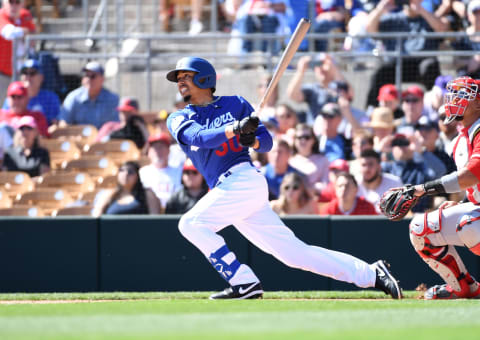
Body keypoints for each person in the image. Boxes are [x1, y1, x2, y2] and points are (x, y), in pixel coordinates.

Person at [165, 56, 403, 300]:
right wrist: (236, 129)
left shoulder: (235, 103)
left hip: (244, 180)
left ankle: (243, 281)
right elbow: (200, 137)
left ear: (205, 77)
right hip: (228, 188)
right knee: (295, 255)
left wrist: (252, 139)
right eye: (179, 78)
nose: (180, 81)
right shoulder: (179, 117)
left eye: (186, 76)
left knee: (191, 223)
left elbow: (266, 142)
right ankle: (371, 274)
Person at [393, 75, 480, 299]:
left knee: (469, 226)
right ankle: (464, 288)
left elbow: (470, 176)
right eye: (453, 94)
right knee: (421, 228)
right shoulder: (459, 141)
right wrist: (462, 203)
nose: (453, 100)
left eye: (461, 95)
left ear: (478, 102)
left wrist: (422, 189)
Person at [365, 0, 448, 107]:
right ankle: (372, 109)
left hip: (421, 64)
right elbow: (370, 29)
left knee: (430, 66)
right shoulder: (393, 18)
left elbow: (442, 29)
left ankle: (436, 108)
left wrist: (421, 10)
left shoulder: (428, 18)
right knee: (380, 72)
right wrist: (380, 9)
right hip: (397, 64)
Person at [287, 53, 349, 123]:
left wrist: (333, 67)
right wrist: (301, 71)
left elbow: (349, 93)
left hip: (337, 131)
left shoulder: (338, 87)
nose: (321, 68)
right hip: (315, 131)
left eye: (324, 64)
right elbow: (293, 95)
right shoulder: (312, 89)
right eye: (318, 64)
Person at [59, 61, 119, 129]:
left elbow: (116, 124)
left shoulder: (112, 99)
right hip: (79, 138)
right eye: (86, 76)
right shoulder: (73, 97)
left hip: (104, 138)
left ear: (102, 79)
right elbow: (63, 122)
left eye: (93, 76)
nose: (89, 79)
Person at [1, 59, 61, 126]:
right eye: (25, 73)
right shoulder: (13, 97)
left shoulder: (51, 98)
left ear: (41, 77)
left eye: (32, 73)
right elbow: (4, 119)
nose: (28, 77)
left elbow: (55, 123)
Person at [0, 0, 36, 104]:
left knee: (23, 106)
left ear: (22, 4)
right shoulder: (1, 15)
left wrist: (25, 33)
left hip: (21, 74)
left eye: (17, 2)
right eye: (11, 2)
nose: (14, 5)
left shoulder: (25, 15)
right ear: (3, 3)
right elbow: (10, 33)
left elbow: (33, 38)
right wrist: (25, 31)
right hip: (2, 74)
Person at [139, 133, 182, 214]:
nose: (158, 151)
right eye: (154, 148)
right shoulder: (142, 173)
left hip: (174, 214)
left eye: (161, 147)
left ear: (169, 151)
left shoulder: (179, 172)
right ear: (149, 152)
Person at [356, 149, 403, 214]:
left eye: (371, 164)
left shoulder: (394, 183)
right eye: (363, 165)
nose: (367, 169)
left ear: (379, 167)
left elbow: (402, 210)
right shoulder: (354, 184)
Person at [288, 123, 329, 192]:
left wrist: (310, 188)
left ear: (313, 140)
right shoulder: (289, 161)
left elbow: (326, 186)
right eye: (299, 138)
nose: (303, 141)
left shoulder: (323, 160)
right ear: (294, 141)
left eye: (307, 137)